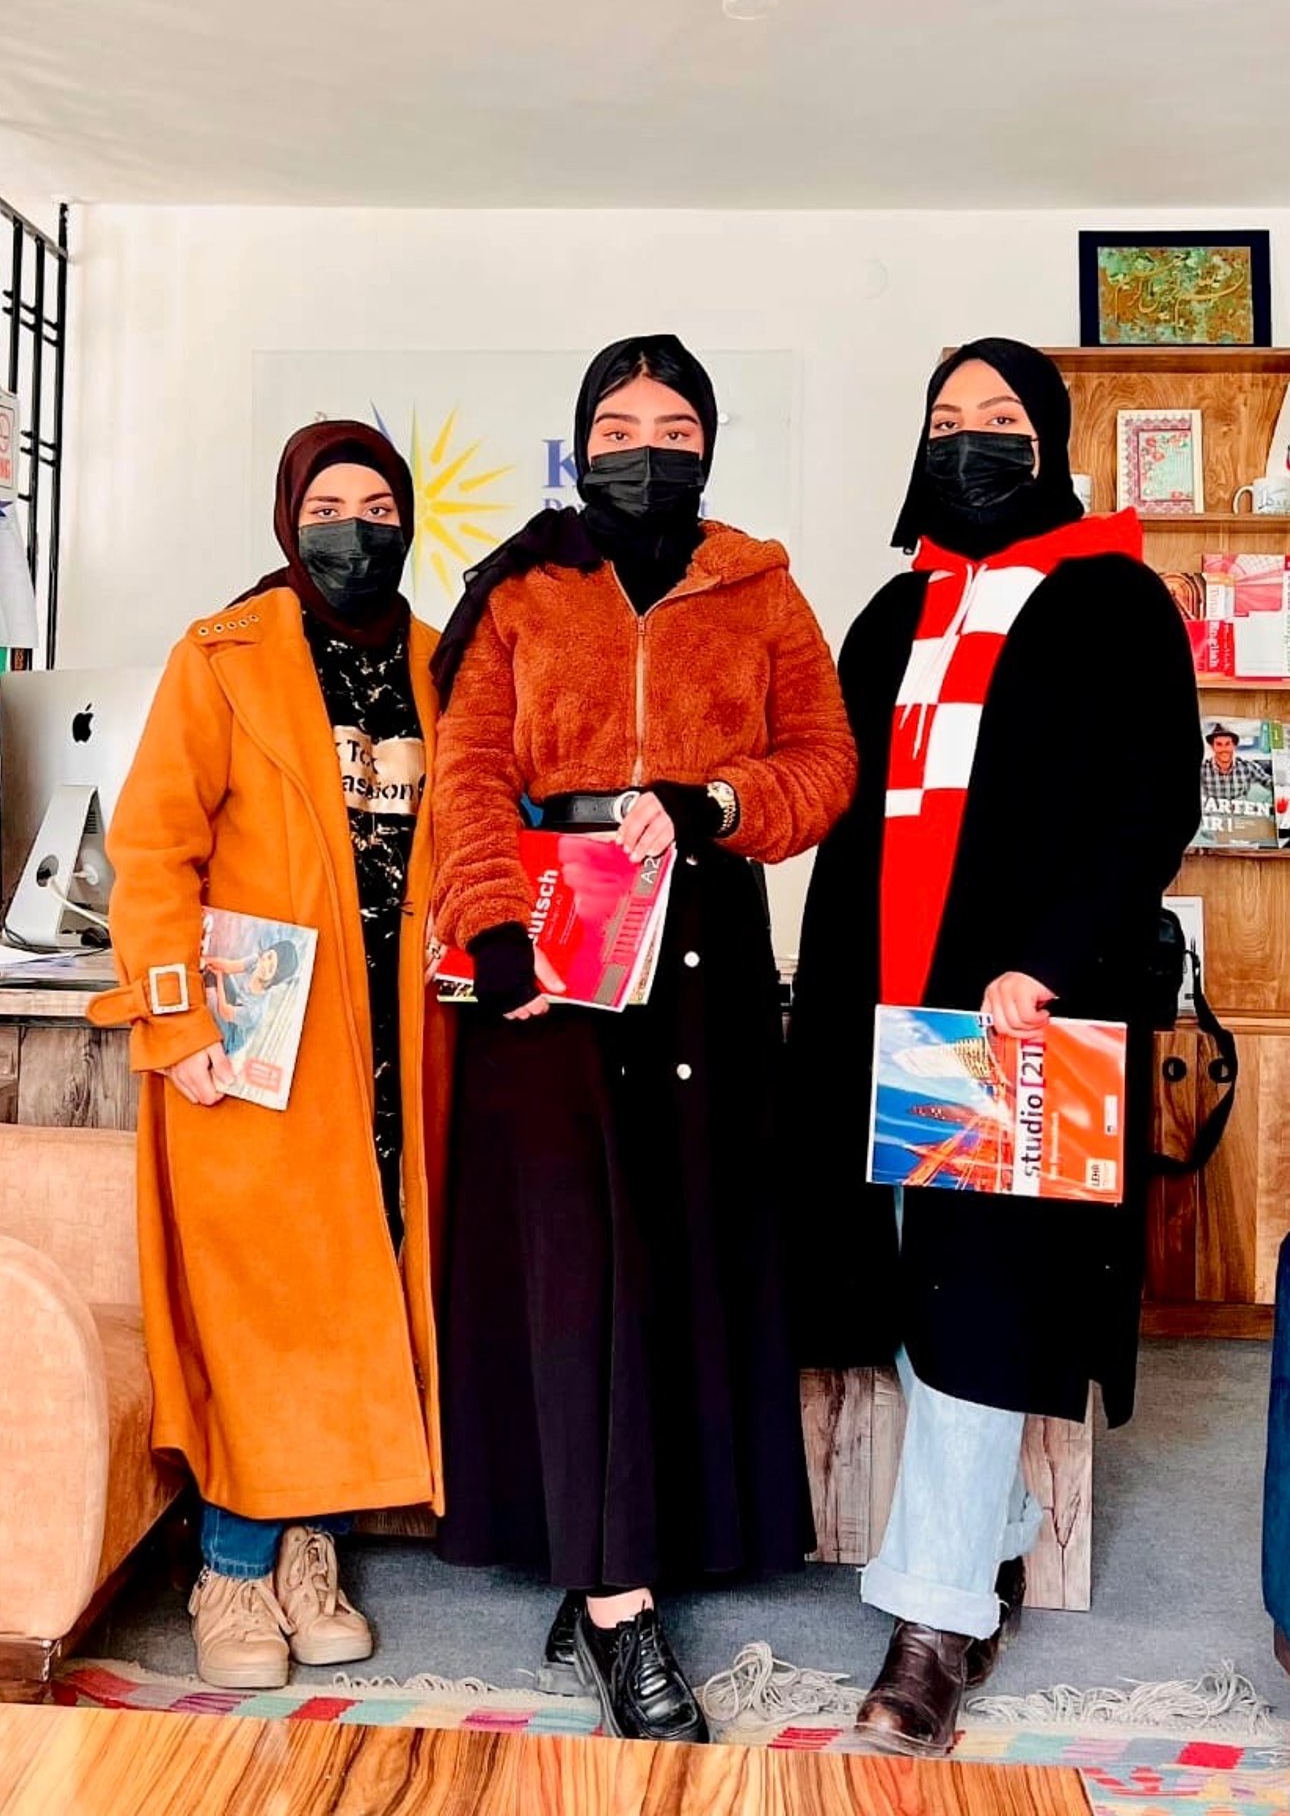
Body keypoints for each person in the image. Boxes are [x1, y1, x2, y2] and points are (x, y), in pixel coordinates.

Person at [428, 334, 857, 1745]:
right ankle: (615, 1603)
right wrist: (496, 933)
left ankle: (616, 1553)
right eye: (618, 420)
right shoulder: (523, 584)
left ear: (709, 444)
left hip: (701, 957)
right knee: (571, 1258)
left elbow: (824, 763)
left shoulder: (762, 583)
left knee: (677, 1250)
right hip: (550, 948)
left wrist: (714, 797)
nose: (645, 443)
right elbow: (472, 762)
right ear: (577, 439)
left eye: (673, 422)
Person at [788, 338, 1202, 1756]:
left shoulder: (1114, 598)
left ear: (1052, 438)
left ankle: (934, 1617)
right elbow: (838, 795)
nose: (971, 440)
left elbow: (1154, 804)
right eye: (947, 418)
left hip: (1007, 1018)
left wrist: (1051, 957)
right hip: (876, 1011)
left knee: (976, 1302)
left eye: (1001, 419)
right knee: (911, 1284)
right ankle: (1004, 1525)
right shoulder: (891, 609)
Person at [88, 421, 451, 1691]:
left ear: (409, 521)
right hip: (258, 1037)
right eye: (330, 504)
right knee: (264, 1309)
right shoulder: (223, 653)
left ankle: (312, 1549)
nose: (356, 526)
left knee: (361, 1296)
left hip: (402, 1036)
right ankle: (235, 1571)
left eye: (379, 503)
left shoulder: (436, 661)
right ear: (289, 518)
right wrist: (177, 1020)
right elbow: (151, 851)